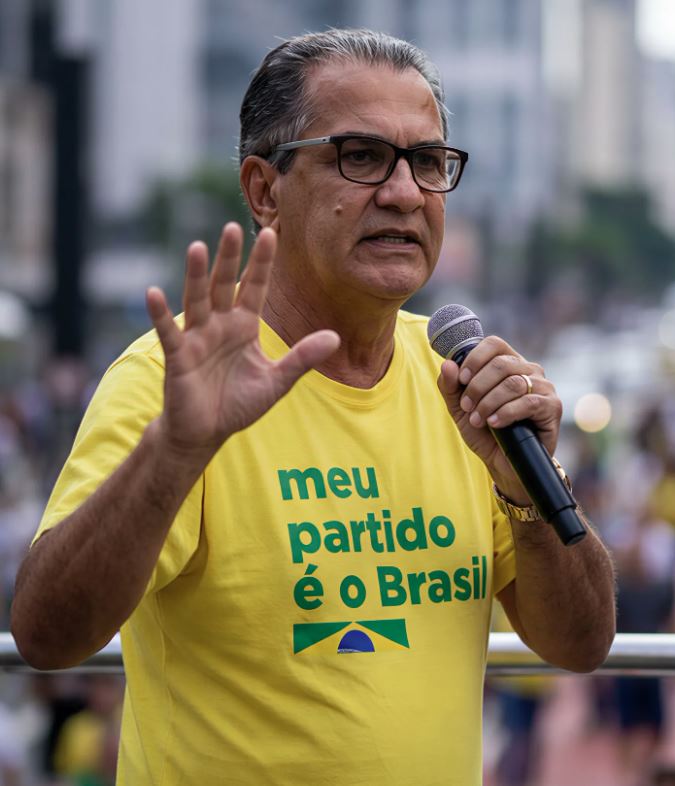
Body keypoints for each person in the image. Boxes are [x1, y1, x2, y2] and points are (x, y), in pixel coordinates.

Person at [10, 28, 616, 786]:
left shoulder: (462, 382)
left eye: (428, 162)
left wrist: (528, 492)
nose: (404, 192)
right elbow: (47, 634)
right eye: (360, 156)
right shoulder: (175, 382)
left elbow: (582, 644)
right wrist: (176, 451)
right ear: (266, 190)